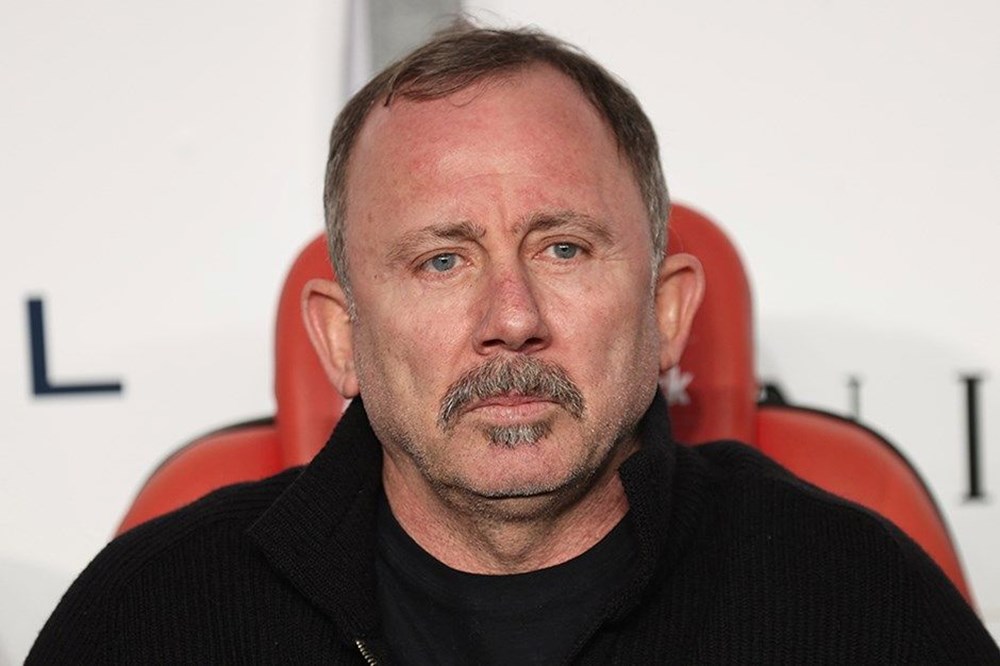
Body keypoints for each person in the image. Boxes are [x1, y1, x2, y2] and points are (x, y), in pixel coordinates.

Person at [29, 21, 999, 665]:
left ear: (666, 312)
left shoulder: (855, 602)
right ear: (341, 337)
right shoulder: (154, 616)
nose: (512, 314)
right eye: (442, 260)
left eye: (563, 247)